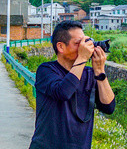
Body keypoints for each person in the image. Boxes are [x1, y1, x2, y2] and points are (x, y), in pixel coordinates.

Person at [29, 20, 116, 148]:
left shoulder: (90, 74)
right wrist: (82, 58)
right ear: (61, 47)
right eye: (78, 43)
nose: (84, 47)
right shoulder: (46, 70)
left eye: (85, 42)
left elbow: (109, 107)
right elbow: (63, 92)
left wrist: (100, 72)